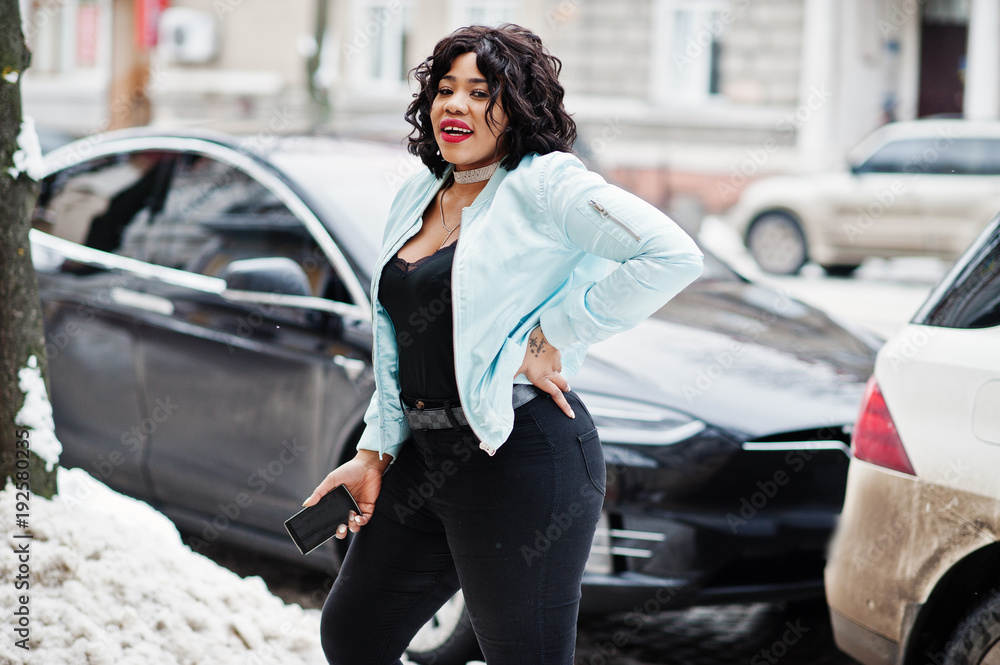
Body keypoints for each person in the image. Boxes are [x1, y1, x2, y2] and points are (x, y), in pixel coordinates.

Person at [302, 23, 703, 665]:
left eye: (480, 92)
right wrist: (374, 453)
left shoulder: (545, 186)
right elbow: (397, 343)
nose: (454, 105)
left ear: (517, 106)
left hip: (520, 459)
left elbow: (670, 254)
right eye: (445, 89)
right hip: (424, 457)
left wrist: (553, 335)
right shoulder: (417, 193)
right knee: (353, 635)